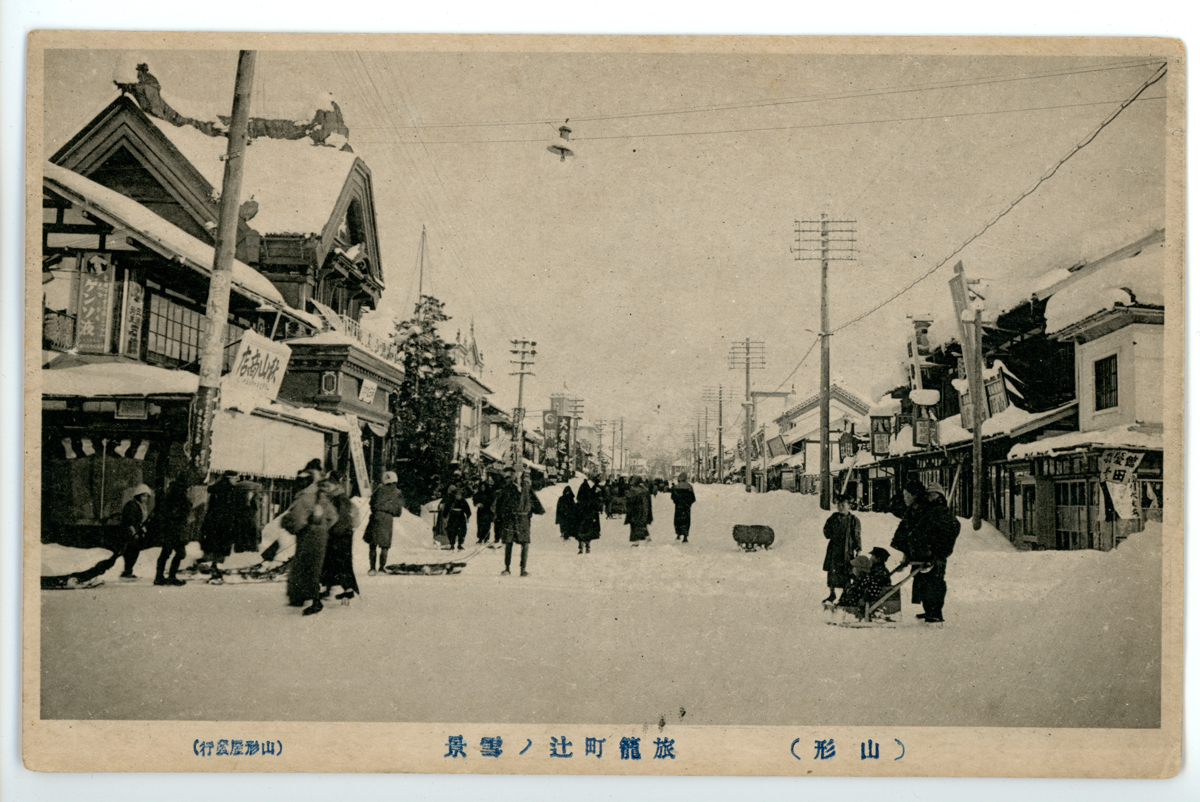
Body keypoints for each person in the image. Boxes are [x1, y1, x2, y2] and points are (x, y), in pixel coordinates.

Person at [890, 478, 960, 624]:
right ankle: (930, 611)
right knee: (923, 583)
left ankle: (935, 614)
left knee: (934, 583)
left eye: (906, 495)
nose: (904, 498)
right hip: (923, 555)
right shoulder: (920, 510)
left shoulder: (936, 511)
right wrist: (907, 553)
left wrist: (935, 552)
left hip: (934, 555)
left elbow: (939, 533)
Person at [282, 464, 337, 615]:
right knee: (314, 567)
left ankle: (300, 597)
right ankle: (311, 597)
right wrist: (323, 528)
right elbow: (333, 516)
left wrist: (288, 525)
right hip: (321, 536)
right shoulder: (322, 496)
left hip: (307, 535)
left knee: (301, 566)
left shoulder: (303, 497)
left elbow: (297, 520)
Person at [319, 472, 360, 603]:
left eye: (328, 486)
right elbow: (355, 516)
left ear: (335, 485)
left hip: (337, 535)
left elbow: (335, 518)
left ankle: (340, 590)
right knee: (341, 563)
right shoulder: (344, 498)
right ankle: (342, 590)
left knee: (337, 562)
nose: (325, 488)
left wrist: (328, 529)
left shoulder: (337, 499)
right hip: (344, 534)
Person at [199, 471, 239, 584]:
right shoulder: (228, 490)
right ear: (229, 478)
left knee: (216, 547)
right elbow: (227, 509)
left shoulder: (218, 488)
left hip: (213, 523)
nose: (236, 480)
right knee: (221, 548)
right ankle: (216, 572)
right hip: (222, 524)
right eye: (235, 478)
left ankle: (214, 570)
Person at [153, 472, 193, 586]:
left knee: (168, 553)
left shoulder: (174, 491)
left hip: (171, 528)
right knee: (177, 553)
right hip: (173, 529)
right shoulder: (178, 493)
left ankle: (161, 576)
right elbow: (177, 510)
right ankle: (168, 576)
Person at [821, 494, 862, 604]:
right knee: (832, 572)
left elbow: (857, 535)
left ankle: (845, 594)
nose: (840, 507)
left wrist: (858, 549)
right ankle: (832, 594)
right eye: (838, 505)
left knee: (846, 572)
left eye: (843, 505)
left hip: (846, 550)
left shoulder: (853, 520)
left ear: (849, 506)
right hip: (833, 550)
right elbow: (826, 531)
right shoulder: (833, 517)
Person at [365, 470, 405, 575]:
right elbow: (398, 511)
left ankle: (372, 568)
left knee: (372, 544)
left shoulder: (378, 489)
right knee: (385, 545)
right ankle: (381, 568)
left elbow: (371, 503)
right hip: (387, 519)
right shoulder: (398, 492)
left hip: (375, 517)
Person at [118, 484, 154, 580]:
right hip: (130, 532)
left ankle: (128, 570)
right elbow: (130, 521)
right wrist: (134, 533)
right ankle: (127, 571)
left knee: (134, 551)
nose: (145, 498)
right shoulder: (132, 505)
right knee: (130, 551)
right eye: (143, 496)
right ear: (138, 495)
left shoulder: (142, 506)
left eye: (146, 496)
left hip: (137, 532)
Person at [574, 474, 602, 553]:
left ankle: (585, 546)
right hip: (585, 511)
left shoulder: (592, 486)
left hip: (589, 511)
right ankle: (583, 547)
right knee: (585, 528)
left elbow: (599, 498)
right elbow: (580, 498)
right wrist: (594, 493)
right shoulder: (585, 486)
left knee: (586, 529)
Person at [624, 475, 653, 546]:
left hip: (636, 510)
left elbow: (630, 501)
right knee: (642, 523)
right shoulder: (645, 489)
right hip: (644, 509)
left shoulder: (633, 490)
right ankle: (647, 536)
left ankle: (636, 542)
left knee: (635, 525)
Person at [443, 485, 473, 550]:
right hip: (453, 516)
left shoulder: (463, 501)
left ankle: (460, 544)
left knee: (462, 531)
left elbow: (468, 510)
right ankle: (452, 544)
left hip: (461, 517)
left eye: (460, 494)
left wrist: (468, 516)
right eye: (457, 494)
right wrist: (445, 516)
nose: (458, 496)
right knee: (451, 530)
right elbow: (446, 508)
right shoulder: (451, 500)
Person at [669, 473, 697, 543]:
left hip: (678, 507)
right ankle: (685, 536)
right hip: (686, 507)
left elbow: (672, 497)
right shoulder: (689, 487)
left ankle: (678, 534)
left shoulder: (676, 487)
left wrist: (677, 502)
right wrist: (688, 504)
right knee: (686, 520)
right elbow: (693, 498)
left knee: (678, 520)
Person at [473, 473, 497, 546]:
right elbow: (475, 500)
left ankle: (486, 538)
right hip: (480, 511)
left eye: (484, 486)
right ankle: (480, 538)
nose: (483, 488)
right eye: (481, 486)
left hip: (487, 511)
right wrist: (477, 504)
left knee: (487, 524)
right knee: (480, 524)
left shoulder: (489, 494)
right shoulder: (478, 494)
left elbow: (491, 501)